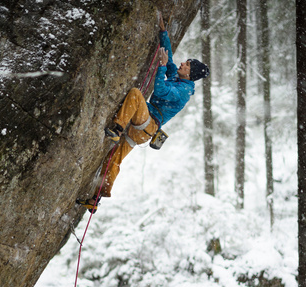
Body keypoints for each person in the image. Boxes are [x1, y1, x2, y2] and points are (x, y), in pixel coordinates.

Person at [77, 12, 209, 213]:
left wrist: (162, 67)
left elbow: (160, 91)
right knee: (114, 159)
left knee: (136, 94)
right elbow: (170, 57)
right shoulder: (180, 79)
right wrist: (163, 32)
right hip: (142, 132)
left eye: (187, 65)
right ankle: (95, 198)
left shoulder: (183, 91)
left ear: (190, 74)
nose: (183, 64)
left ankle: (117, 128)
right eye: (186, 62)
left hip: (147, 124)